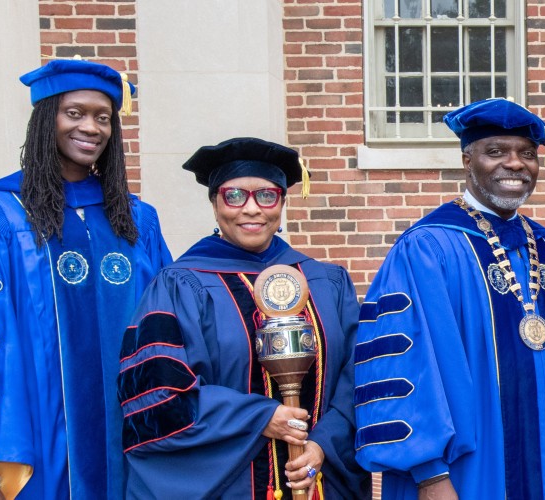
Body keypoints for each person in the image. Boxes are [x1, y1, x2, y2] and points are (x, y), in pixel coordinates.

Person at [0, 59, 171, 500]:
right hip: (33, 461)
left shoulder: (137, 222)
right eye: (74, 113)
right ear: (45, 118)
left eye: (103, 117)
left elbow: (168, 336)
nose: (91, 127)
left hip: (135, 463)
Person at [350, 98, 545, 499]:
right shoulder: (427, 248)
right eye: (495, 151)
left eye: (527, 154)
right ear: (467, 160)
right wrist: (429, 474)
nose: (515, 163)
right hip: (464, 476)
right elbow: (402, 365)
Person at [117, 138, 370, 499]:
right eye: (234, 195)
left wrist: (322, 446)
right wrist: (260, 417)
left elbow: (356, 378)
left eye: (267, 195)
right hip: (230, 487)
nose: (251, 209)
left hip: (320, 480)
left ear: (282, 201)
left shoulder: (327, 283)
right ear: (214, 202)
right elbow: (158, 394)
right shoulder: (181, 285)